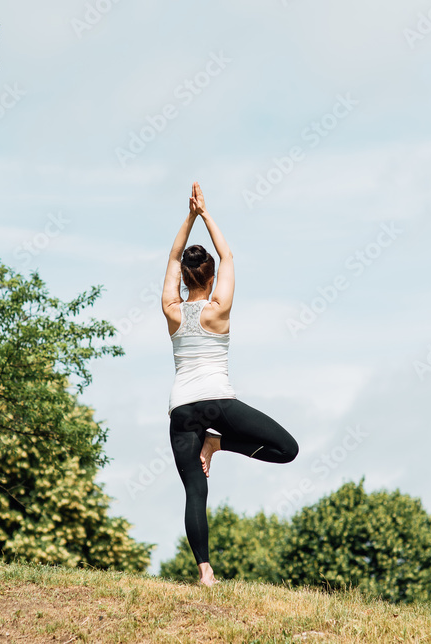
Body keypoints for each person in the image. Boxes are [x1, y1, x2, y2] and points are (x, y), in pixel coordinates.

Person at [161, 181, 299, 587]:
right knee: (287, 449)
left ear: (184, 278)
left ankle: (205, 572)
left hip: (182, 408)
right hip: (218, 402)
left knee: (194, 492)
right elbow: (228, 254)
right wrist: (205, 213)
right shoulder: (218, 309)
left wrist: (188, 218)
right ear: (212, 278)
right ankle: (219, 443)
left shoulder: (171, 309)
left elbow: (172, 256)